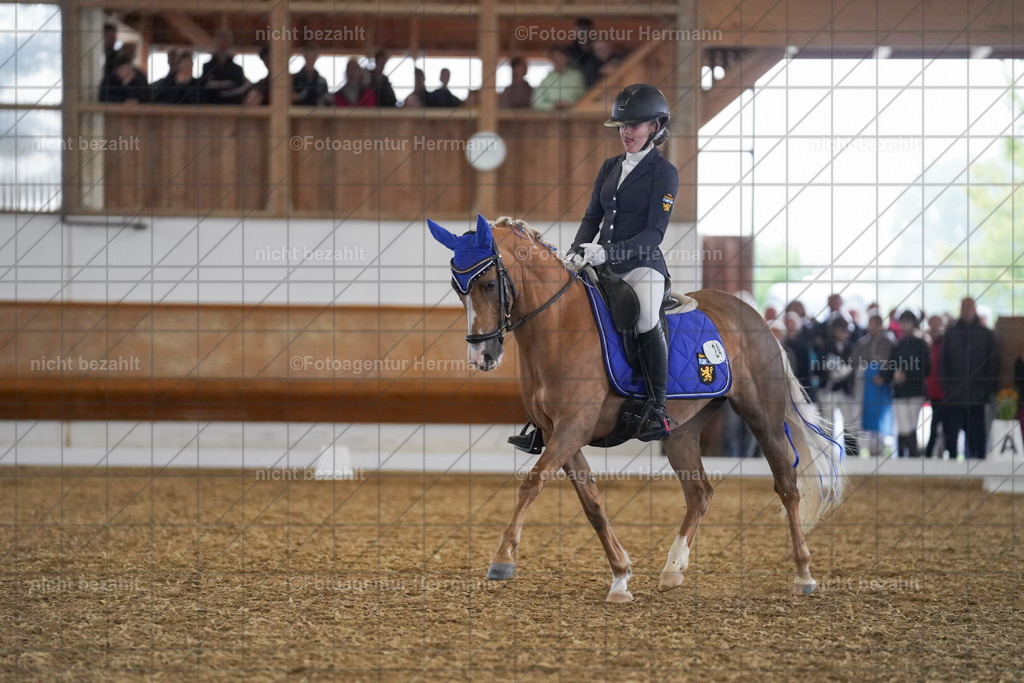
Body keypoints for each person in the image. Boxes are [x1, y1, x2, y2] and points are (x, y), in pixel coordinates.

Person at [565, 84, 693, 441]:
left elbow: (655, 233)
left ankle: (657, 407)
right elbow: (592, 217)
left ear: (655, 126)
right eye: (622, 125)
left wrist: (610, 252)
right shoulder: (609, 167)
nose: (626, 132)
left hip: (642, 266)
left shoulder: (663, 172)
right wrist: (576, 249)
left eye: (634, 125)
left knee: (647, 314)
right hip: (601, 264)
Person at [940, 297, 998, 459]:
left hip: (977, 396)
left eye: (969, 307)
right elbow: (943, 363)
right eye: (963, 307)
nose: (966, 310)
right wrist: (947, 388)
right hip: (954, 395)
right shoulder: (951, 332)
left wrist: (985, 389)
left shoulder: (986, 334)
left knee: (977, 438)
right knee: (951, 437)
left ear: (975, 309)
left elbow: (992, 364)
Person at [882, 310, 931, 457]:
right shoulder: (897, 344)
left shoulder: (921, 344)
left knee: (911, 426)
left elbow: (926, 368)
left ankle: (913, 456)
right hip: (899, 392)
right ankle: (902, 456)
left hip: (915, 391)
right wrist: (888, 376)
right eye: (903, 321)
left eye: (908, 321)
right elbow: (891, 366)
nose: (905, 325)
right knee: (902, 427)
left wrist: (907, 375)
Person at [852, 314, 896, 456]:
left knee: (882, 418)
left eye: (876, 324)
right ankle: (869, 450)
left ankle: (882, 449)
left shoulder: (889, 341)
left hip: (883, 387)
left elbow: (894, 362)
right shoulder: (862, 343)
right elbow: (854, 362)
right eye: (871, 324)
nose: (873, 327)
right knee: (867, 417)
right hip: (865, 387)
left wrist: (883, 374)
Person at [924, 314, 954, 458]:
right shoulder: (925, 341)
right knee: (934, 425)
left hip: (946, 391)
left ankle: (950, 453)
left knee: (948, 426)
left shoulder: (947, 342)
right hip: (932, 390)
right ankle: (929, 454)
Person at [200, 30, 251, 104]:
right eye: (219, 44)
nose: (221, 47)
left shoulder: (237, 69)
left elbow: (242, 88)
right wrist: (227, 84)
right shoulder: (207, 67)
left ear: (229, 46)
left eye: (224, 44)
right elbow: (204, 85)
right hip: (211, 108)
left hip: (233, 107)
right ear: (215, 45)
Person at [531, 45, 586, 110]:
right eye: (554, 57)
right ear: (550, 59)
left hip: (574, 114)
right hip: (551, 116)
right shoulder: (546, 80)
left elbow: (584, 96)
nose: (557, 59)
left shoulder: (577, 76)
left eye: (560, 56)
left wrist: (569, 103)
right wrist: (552, 106)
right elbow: (536, 102)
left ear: (566, 57)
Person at [564, 17, 603, 88]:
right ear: (576, 31)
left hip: (596, 85)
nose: (583, 33)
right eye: (580, 30)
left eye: (586, 30)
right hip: (576, 86)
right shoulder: (568, 51)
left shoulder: (598, 48)